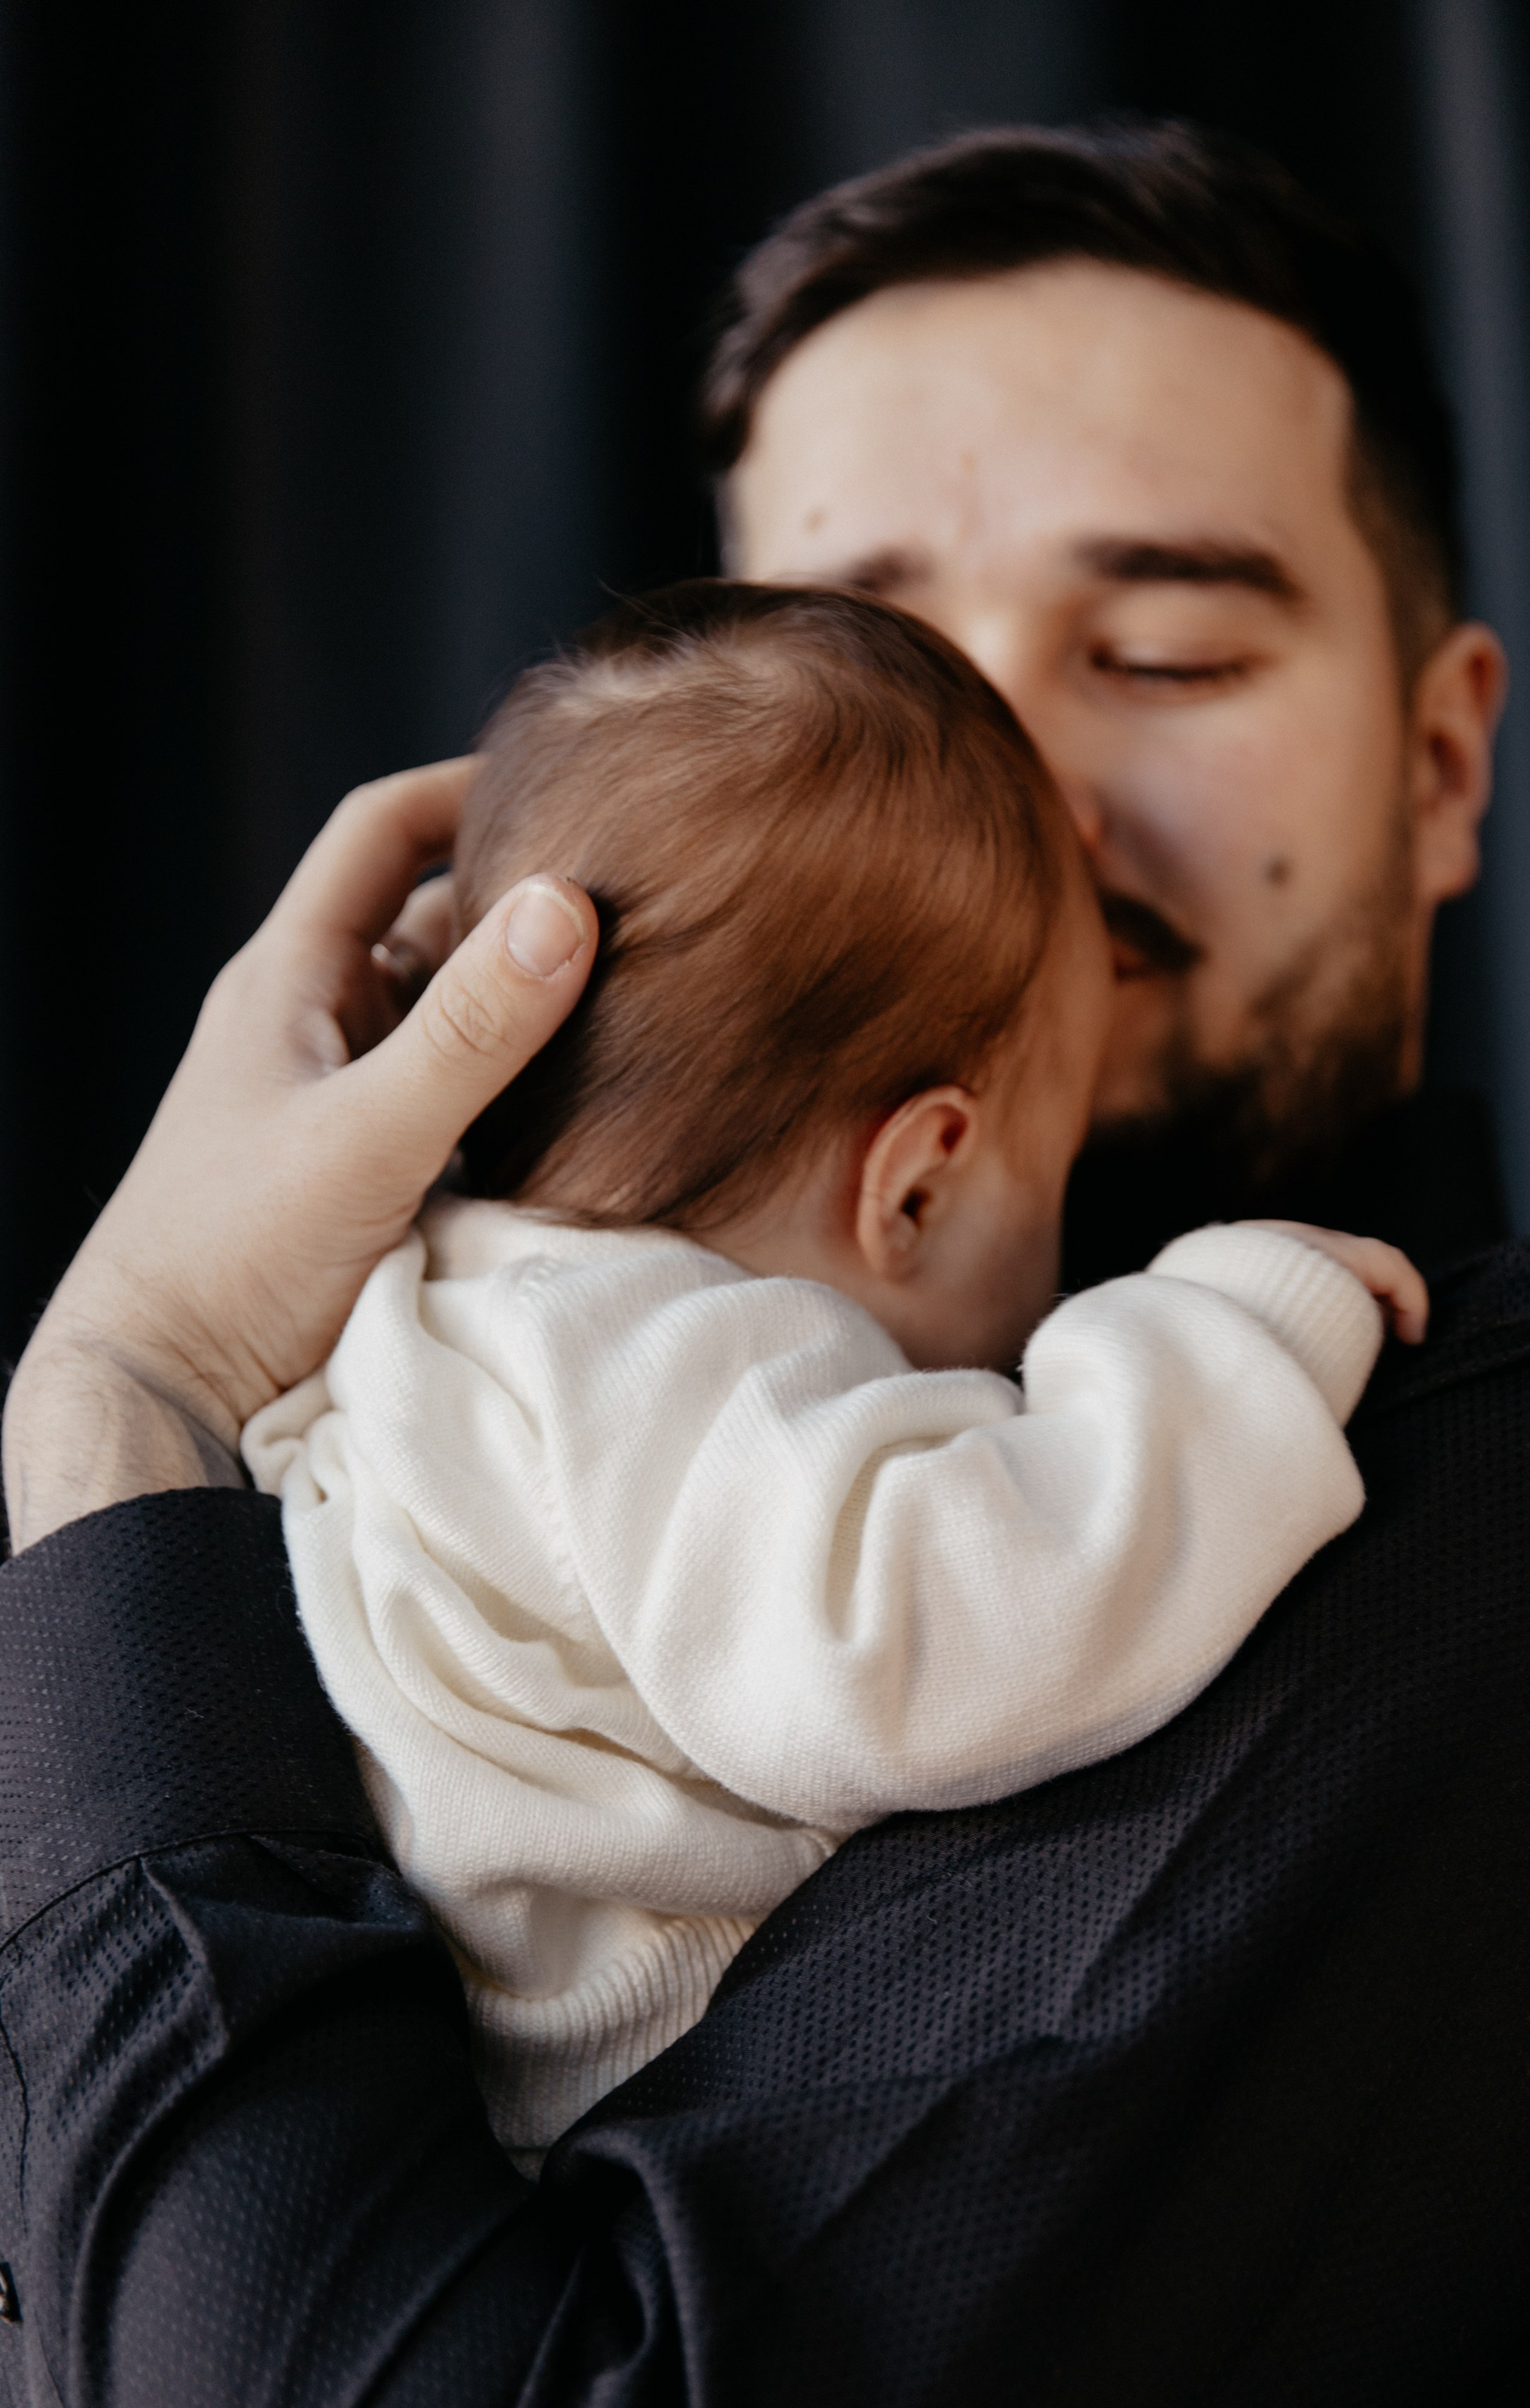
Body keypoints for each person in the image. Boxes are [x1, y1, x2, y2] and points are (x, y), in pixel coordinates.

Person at [0, 118, 1530, 2408]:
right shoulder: (468, 1470)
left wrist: (118, 1409)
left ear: (1450, 754)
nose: (991, 759)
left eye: (1167, 645)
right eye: (854, 660)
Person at [246, 581, 1421, 2171]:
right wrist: (1227, 1336)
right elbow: (921, 1641)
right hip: (557, 2163)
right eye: (1052, 1166)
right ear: (916, 1183)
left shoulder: (417, 1300)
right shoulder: (658, 1360)